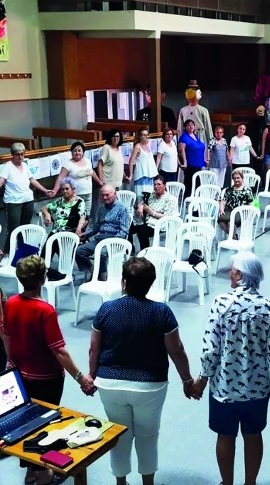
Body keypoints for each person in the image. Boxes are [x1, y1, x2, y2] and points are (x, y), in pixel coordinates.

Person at [89, 257, 195, 485]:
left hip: (110, 384)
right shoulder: (161, 312)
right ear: (151, 283)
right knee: (148, 435)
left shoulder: (106, 309)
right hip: (150, 386)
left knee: (118, 434)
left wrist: (91, 375)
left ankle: (120, 482)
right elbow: (176, 350)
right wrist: (187, 380)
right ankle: (148, 482)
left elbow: (93, 348)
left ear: (124, 283)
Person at [191, 252, 270, 485]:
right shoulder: (268, 306)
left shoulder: (221, 303)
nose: (229, 274)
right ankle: (250, 483)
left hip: (225, 388)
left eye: (232, 270)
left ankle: (227, 483)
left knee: (226, 436)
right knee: (253, 435)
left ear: (240, 274)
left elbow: (211, 348)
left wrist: (202, 380)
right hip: (258, 387)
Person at [2, 255, 94, 485]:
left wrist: (11, 361)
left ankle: (30, 471)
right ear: (43, 278)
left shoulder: (11, 302)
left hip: (22, 374)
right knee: (43, 425)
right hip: (47, 378)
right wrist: (81, 378)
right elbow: (59, 351)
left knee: (25, 423)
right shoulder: (45, 310)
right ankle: (44, 475)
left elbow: (6, 335)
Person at [0, 143, 53, 256]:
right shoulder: (7, 166)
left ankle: (21, 252)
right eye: (17, 155)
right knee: (13, 228)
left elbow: (32, 180)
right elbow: (1, 181)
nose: (20, 157)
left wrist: (45, 190)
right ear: (12, 155)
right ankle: (6, 253)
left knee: (25, 227)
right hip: (14, 202)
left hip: (28, 200)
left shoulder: (25, 165)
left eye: (22, 154)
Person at [75, 184, 129, 277]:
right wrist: (87, 234)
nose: (104, 197)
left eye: (107, 195)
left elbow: (123, 231)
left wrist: (112, 242)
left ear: (115, 194)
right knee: (79, 251)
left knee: (101, 253)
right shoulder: (101, 207)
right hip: (100, 238)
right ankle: (94, 271)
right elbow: (97, 226)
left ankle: (102, 276)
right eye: (103, 195)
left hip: (114, 239)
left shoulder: (122, 209)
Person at [51, 141, 103, 217]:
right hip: (76, 195)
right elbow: (60, 178)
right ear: (71, 152)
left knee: (87, 216)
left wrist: (99, 182)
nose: (77, 153)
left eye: (79, 150)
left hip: (88, 194)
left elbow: (92, 173)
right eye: (75, 151)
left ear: (83, 152)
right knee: (77, 216)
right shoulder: (68, 164)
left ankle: (85, 229)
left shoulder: (88, 161)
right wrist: (55, 190)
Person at [128, 175, 177, 251]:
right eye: (154, 184)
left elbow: (166, 217)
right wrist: (141, 206)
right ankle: (131, 249)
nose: (156, 187)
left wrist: (151, 212)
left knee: (141, 230)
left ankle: (145, 254)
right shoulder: (152, 195)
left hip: (159, 223)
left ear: (164, 185)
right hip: (147, 220)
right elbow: (144, 202)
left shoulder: (170, 199)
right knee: (129, 225)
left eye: (159, 184)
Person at [217, 169, 254, 236]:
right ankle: (234, 238)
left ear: (242, 178)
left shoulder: (247, 190)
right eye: (234, 178)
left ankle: (232, 239)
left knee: (230, 223)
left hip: (240, 211)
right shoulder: (228, 189)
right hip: (228, 210)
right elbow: (223, 202)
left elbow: (251, 203)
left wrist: (248, 213)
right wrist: (221, 210)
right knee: (220, 220)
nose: (236, 180)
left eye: (238, 178)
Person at [177, 79, 213, 146]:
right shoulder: (183, 110)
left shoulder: (203, 110)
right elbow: (180, 128)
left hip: (200, 135)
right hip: (187, 136)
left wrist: (211, 144)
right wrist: (180, 142)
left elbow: (208, 128)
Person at [178, 118, 207, 197]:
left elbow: (200, 148)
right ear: (185, 127)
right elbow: (181, 150)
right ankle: (187, 202)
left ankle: (196, 203)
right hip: (190, 164)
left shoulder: (196, 136)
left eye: (192, 125)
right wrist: (185, 162)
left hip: (199, 164)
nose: (190, 127)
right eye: (188, 125)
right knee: (190, 184)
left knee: (197, 184)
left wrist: (205, 160)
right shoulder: (184, 137)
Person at [127, 127, 158, 200]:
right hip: (141, 175)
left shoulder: (147, 145)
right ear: (140, 136)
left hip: (149, 174)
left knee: (150, 196)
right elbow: (131, 161)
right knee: (141, 197)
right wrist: (131, 175)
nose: (146, 137)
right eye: (144, 135)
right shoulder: (137, 146)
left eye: (147, 135)